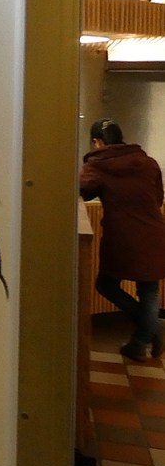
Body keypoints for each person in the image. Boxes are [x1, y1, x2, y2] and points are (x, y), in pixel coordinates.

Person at [80, 118, 165, 360]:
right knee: (148, 288)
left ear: (97, 141)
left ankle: (147, 333)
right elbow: (158, 197)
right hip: (154, 232)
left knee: (106, 285)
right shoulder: (147, 162)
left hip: (122, 237)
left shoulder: (98, 164)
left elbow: (83, 191)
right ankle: (145, 334)